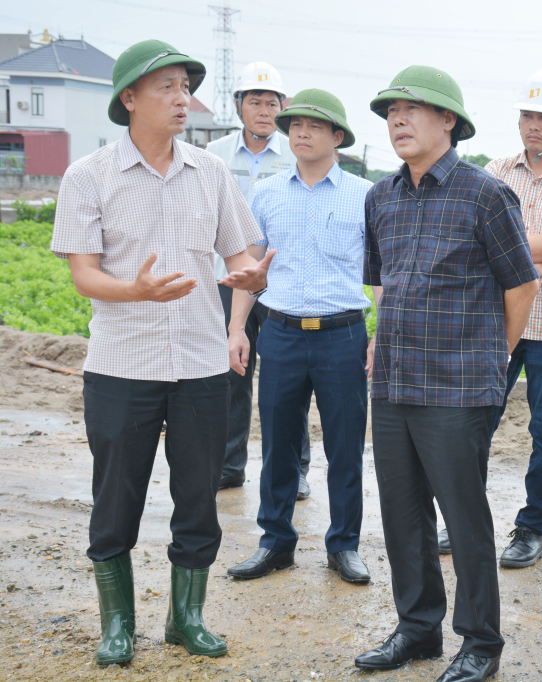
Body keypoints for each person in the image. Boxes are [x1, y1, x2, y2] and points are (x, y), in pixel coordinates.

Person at [50, 39, 271, 665]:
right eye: (166, 87)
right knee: (116, 495)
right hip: (122, 365)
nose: (182, 99)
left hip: (201, 365)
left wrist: (252, 277)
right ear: (129, 99)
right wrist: (135, 291)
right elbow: (85, 275)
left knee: (199, 496)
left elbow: (239, 256)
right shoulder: (88, 176)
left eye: (185, 86)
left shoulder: (213, 173)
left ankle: (186, 617)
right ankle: (117, 623)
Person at [354, 66, 538, 682]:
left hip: (460, 388)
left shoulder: (485, 195)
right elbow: (383, 282)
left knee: (463, 518)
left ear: (449, 122)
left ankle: (480, 640)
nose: (397, 121)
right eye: (389, 112)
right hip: (395, 383)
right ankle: (417, 627)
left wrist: (491, 359)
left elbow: (522, 285)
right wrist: (383, 341)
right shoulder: (380, 197)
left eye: (411, 110)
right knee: (403, 513)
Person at [451, 67, 542, 568]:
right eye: (527, 115)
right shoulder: (495, 171)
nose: (533, 125)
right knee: (477, 420)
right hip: (497, 320)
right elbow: (477, 238)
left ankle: (531, 528)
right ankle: (464, 519)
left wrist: (517, 249)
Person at [225, 90, 373, 585]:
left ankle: (344, 545)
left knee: (345, 446)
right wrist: (236, 329)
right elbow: (250, 269)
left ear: (338, 137)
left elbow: (380, 275)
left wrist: (381, 335)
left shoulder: (364, 195)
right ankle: (276, 542)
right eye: (295, 125)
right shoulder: (266, 193)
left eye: (315, 125)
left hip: (342, 334)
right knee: (279, 445)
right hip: (282, 334)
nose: (301, 133)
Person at [205, 62, 311, 497]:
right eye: (255, 101)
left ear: (282, 108)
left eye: (272, 103)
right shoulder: (213, 153)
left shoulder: (297, 154)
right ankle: (230, 465)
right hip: (227, 281)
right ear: (238, 106)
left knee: (291, 378)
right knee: (231, 373)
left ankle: (295, 469)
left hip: (283, 284)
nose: (264, 110)